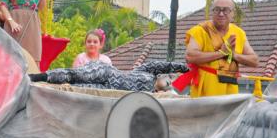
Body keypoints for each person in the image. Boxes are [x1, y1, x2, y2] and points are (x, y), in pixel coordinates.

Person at [174, 0, 259, 97]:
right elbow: (190, 56)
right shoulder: (200, 30)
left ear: (233, 13)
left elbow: (254, 61)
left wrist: (233, 55)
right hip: (206, 89)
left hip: (230, 88)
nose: (221, 14)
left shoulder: (239, 33)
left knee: (230, 113)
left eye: (226, 10)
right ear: (212, 12)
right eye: (217, 10)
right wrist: (221, 53)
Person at [30, 60, 189, 92]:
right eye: (170, 78)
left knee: (74, 87)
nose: (170, 81)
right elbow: (164, 64)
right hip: (107, 72)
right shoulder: (148, 71)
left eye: (172, 83)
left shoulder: (154, 96)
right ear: (162, 75)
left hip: (107, 89)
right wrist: (183, 68)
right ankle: (36, 77)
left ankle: (42, 87)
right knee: (74, 74)